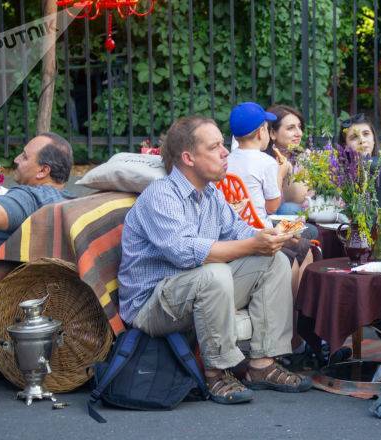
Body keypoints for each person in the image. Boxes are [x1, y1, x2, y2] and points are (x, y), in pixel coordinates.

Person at [118, 116, 312, 405]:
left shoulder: (210, 194)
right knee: (215, 273)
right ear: (188, 158)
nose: (225, 152)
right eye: (215, 147)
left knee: (275, 261)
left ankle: (262, 365)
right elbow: (185, 252)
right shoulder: (161, 195)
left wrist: (274, 236)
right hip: (152, 305)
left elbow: (240, 231)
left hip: (194, 290)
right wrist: (251, 244)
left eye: (223, 144)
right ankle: (216, 373)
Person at [226, 102, 315, 350]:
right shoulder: (265, 163)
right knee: (306, 244)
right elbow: (273, 205)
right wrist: (281, 171)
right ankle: (299, 334)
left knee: (303, 242)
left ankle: (301, 335)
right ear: (261, 133)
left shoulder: (229, 159)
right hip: (263, 233)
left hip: (238, 231)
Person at [0, 133, 75, 298]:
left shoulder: (30, 198)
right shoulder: (67, 199)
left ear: (43, 170)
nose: (16, 159)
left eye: (25, 157)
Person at [265, 105, 307, 216]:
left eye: (299, 127)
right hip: (272, 218)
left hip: (301, 215)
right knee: (288, 209)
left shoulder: (303, 157)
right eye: (290, 128)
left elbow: (300, 199)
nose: (299, 133)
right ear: (273, 133)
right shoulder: (264, 161)